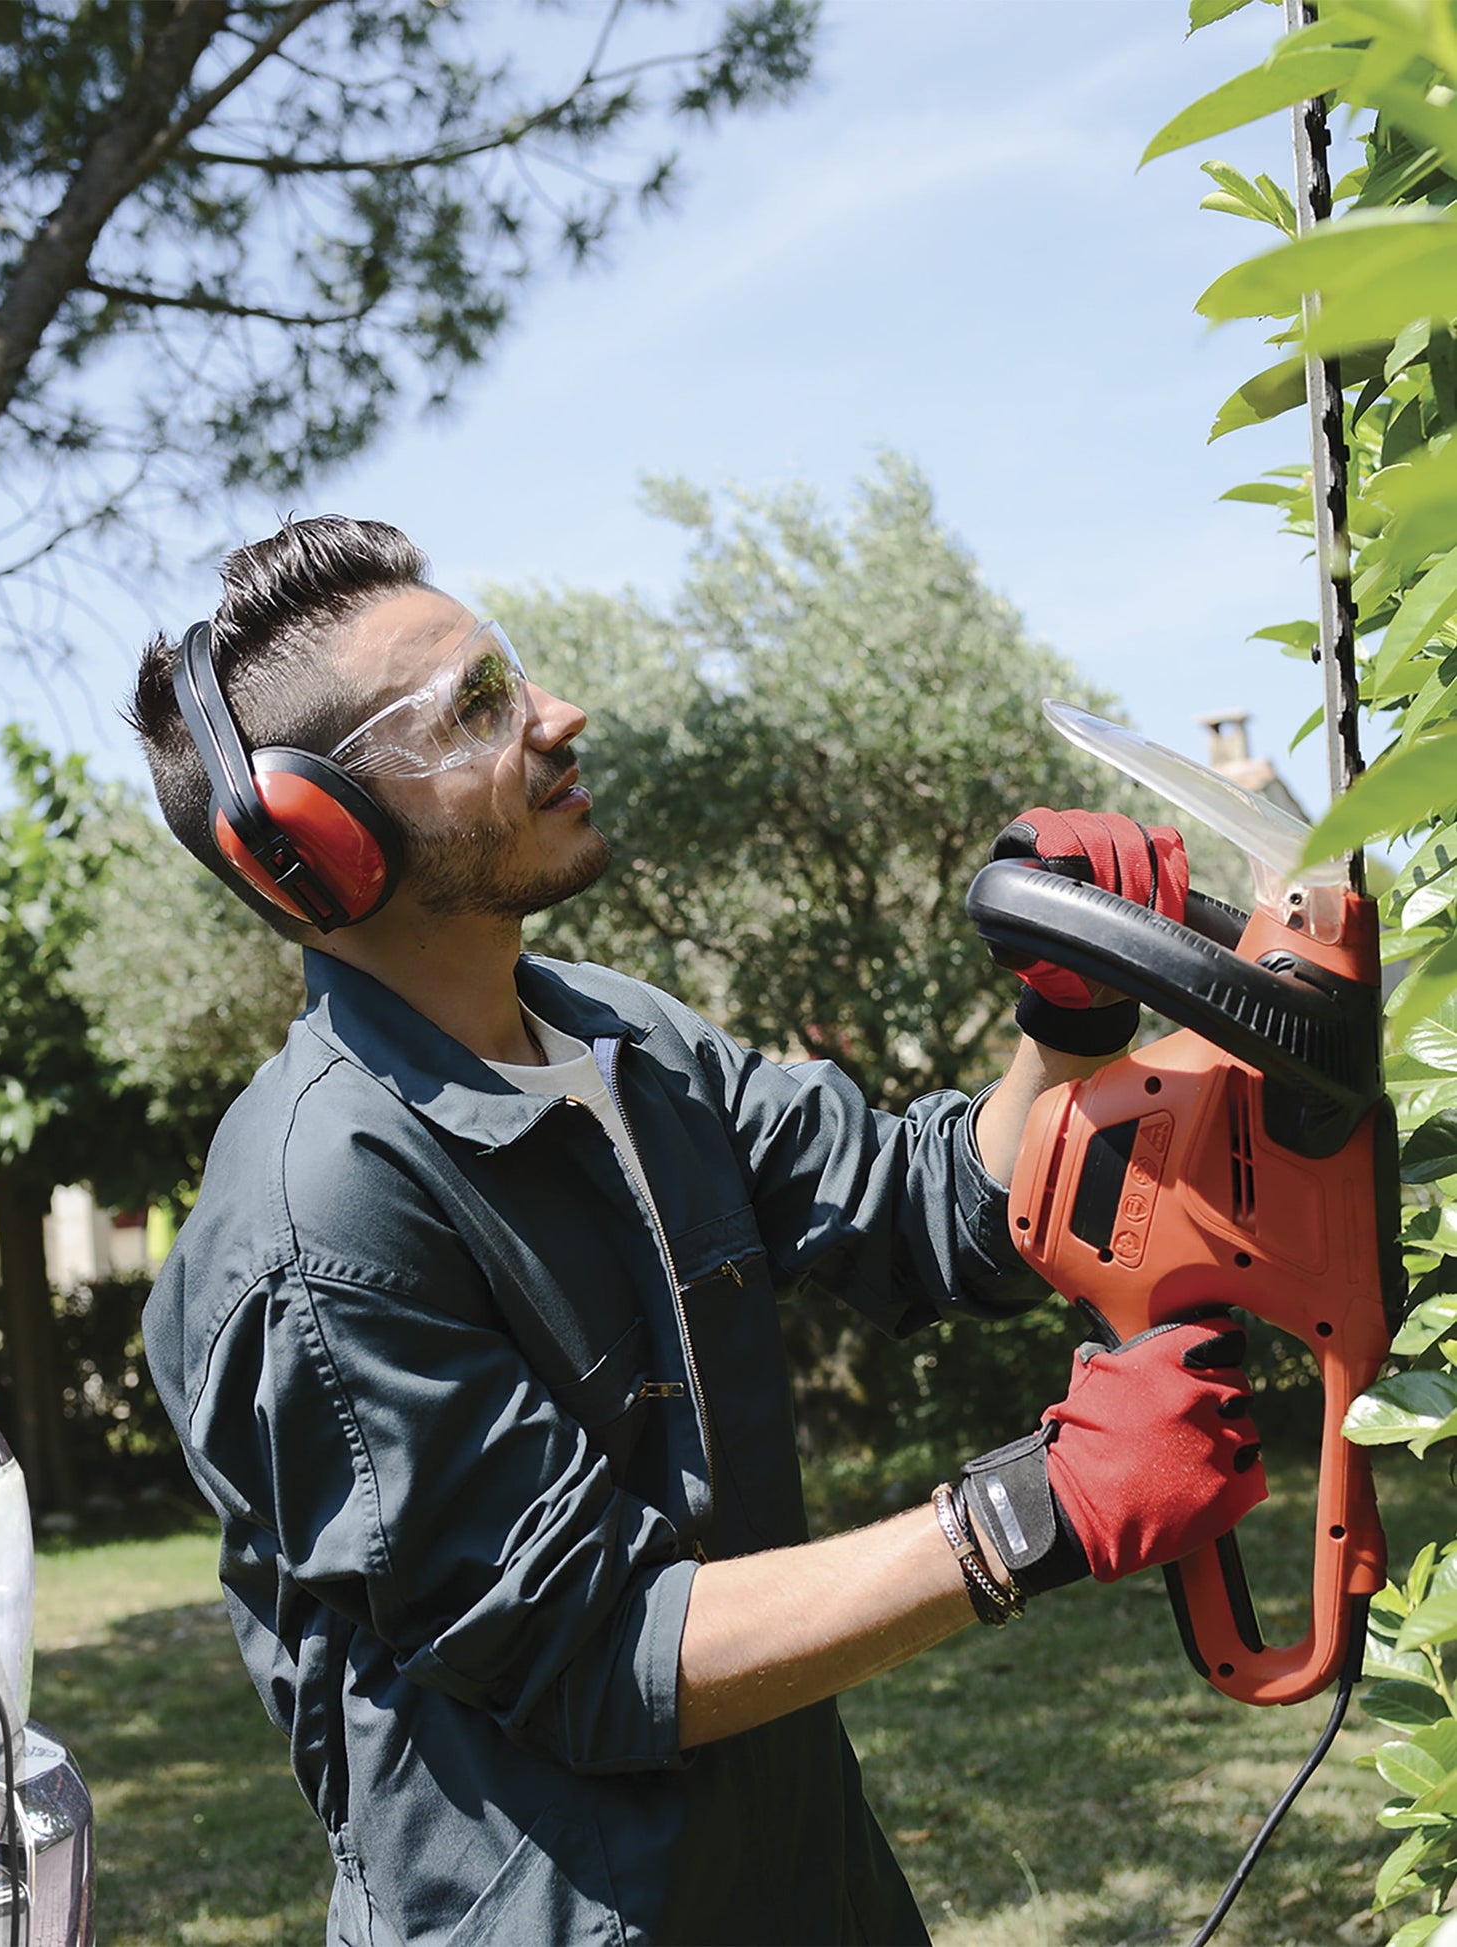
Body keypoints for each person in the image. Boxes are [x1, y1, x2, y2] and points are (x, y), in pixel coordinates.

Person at [129, 515, 1264, 1946]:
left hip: (802, 1878)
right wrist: (1025, 1518)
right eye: (476, 707)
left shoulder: (621, 1038)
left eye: (514, 674)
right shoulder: (320, 1215)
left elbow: (928, 1211)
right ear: (317, 841)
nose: (556, 715)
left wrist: (1066, 1023)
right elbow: (599, 1652)